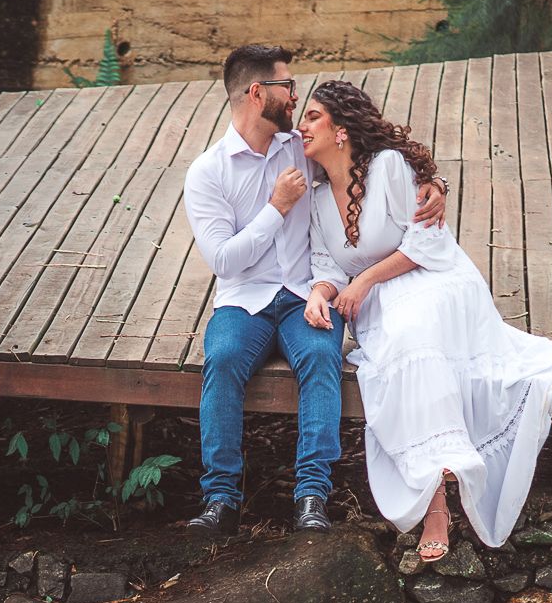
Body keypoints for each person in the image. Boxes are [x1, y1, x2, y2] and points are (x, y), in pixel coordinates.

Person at [298, 79, 552, 560]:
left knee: (414, 337)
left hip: (434, 280)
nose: (302, 127)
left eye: (312, 116)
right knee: (400, 344)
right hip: (378, 303)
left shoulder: (389, 167)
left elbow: (428, 242)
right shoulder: (318, 198)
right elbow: (325, 264)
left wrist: (364, 281)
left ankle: (440, 491)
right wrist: (320, 294)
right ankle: (436, 484)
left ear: (341, 129)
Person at [182, 42, 447, 539]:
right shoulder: (208, 172)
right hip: (245, 299)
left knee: (322, 358)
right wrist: (277, 207)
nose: (295, 97)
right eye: (287, 87)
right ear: (257, 93)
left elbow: (368, 157)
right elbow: (223, 261)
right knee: (222, 359)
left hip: (308, 293)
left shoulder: (299, 147)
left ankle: (311, 496)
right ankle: (221, 499)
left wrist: (432, 183)